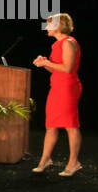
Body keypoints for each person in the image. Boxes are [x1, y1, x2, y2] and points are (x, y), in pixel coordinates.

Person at [33, 12, 83, 176]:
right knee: (51, 125)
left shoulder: (68, 43)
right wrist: (44, 63)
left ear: (57, 26)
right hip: (57, 87)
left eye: (49, 24)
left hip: (68, 88)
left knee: (70, 126)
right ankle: (45, 160)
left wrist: (47, 62)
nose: (46, 27)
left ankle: (73, 162)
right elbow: (56, 68)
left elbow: (67, 69)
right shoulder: (56, 45)